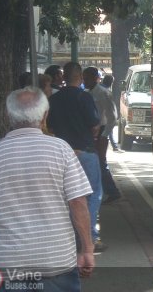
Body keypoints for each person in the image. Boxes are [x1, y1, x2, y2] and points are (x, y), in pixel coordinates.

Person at [0, 87, 94, 291]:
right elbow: (78, 202)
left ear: (8, 115)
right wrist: (87, 249)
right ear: (45, 115)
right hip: (56, 261)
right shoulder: (61, 149)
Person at [47, 62, 105, 252]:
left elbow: (51, 126)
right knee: (92, 195)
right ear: (80, 77)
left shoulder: (54, 99)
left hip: (62, 153)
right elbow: (94, 123)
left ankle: (69, 236)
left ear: (63, 77)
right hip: (85, 151)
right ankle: (90, 236)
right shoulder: (84, 97)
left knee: (65, 197)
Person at [83, 67, 122, 204]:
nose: (85, 81)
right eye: (84, 78)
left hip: (102, 130)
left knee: (100, 161)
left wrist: (104, 135)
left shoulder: (104, 93)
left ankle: (112, 190)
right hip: (91, 130)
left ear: (95, 78)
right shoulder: (87, 93)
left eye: (87, 78)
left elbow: (113, 116)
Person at [100, 74, 122, 152]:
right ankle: (114, 147)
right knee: (108, 131)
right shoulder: (106, 91)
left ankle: (114, 146)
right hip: (104, 116)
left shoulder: (102, 89)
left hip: (103, 116)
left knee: (109, 131)